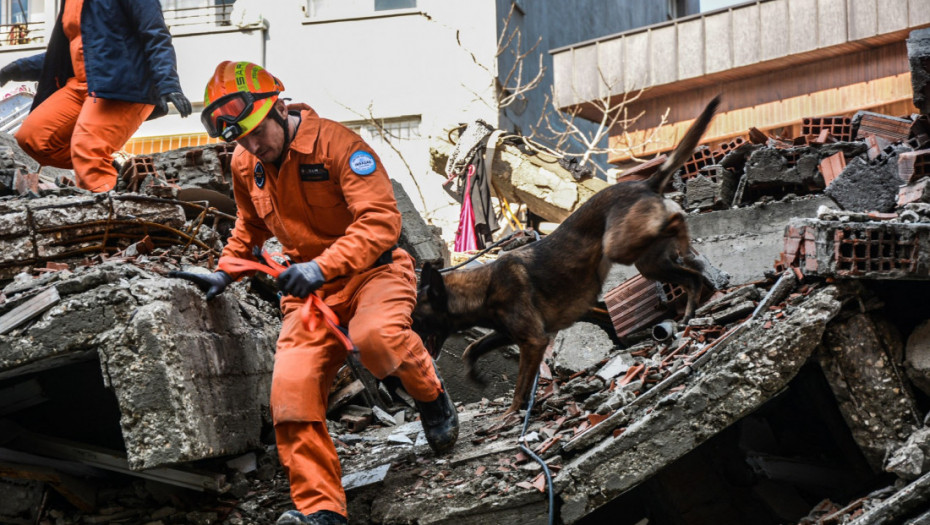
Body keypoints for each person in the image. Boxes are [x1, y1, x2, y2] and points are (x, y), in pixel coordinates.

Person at [172, 61, 458, 525]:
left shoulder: (340, 145)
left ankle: (431, 397)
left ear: (279, 108)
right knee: (291, 395)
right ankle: (322, 511)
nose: (251, 146)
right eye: (240, 139)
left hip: (373, 273)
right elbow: (248, 228)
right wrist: (224, 273)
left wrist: (321, 265)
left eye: (256, 133)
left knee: (378, 338)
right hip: (309, 297)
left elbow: (382, 222)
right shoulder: (248, 163)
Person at [0, 0, 192, 192]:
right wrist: (16, 69)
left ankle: (110, 208)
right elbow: (63, 56)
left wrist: (169, 84)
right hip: (82, 84)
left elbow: (155, 34)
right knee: (33, 138)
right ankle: (104, 165)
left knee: (88, 149)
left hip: (124, 86)